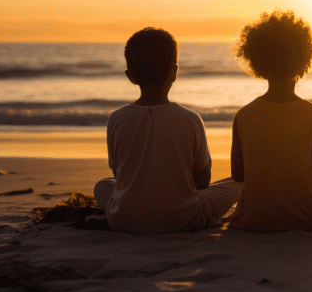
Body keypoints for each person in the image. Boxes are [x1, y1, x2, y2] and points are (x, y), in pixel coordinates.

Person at [95, 28, 242, 233]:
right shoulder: (190, 119)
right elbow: (202, 182)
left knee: (102, 185)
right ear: (175, 72)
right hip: (183, 218)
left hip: (123, 220)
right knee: (237, 183)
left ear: (130, 76)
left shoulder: (117, 119)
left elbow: (120, 176)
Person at [227, 10, 312, 231]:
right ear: (303, 61)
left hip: (256, 217)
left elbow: (238, 174)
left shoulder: (243, 115)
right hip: (310, 213)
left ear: (256, 62)